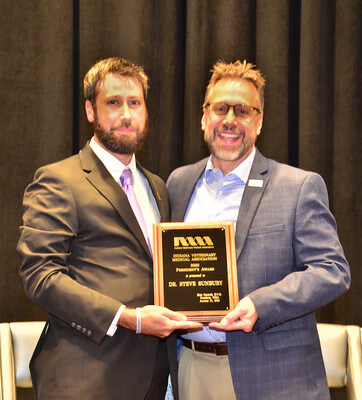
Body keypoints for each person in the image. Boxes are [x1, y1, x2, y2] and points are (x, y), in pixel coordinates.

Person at [17, 57, 201, 400]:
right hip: (86, 379)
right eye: (113, 103)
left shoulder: (157, 187)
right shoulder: (59, 180)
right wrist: (128, 317)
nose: (126, 115)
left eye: (135, 103)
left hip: (157, 380)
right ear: (90, 110)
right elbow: (40, 276)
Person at [166, 60, 350, 400]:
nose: (230, 120)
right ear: (204, 117)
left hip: (274, 378)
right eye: (221, 108)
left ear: (260, 121)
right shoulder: (178, 183)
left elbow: (332, 271)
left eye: (243, 110)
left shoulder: (299, 186)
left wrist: (260, 305)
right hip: (191, 368)